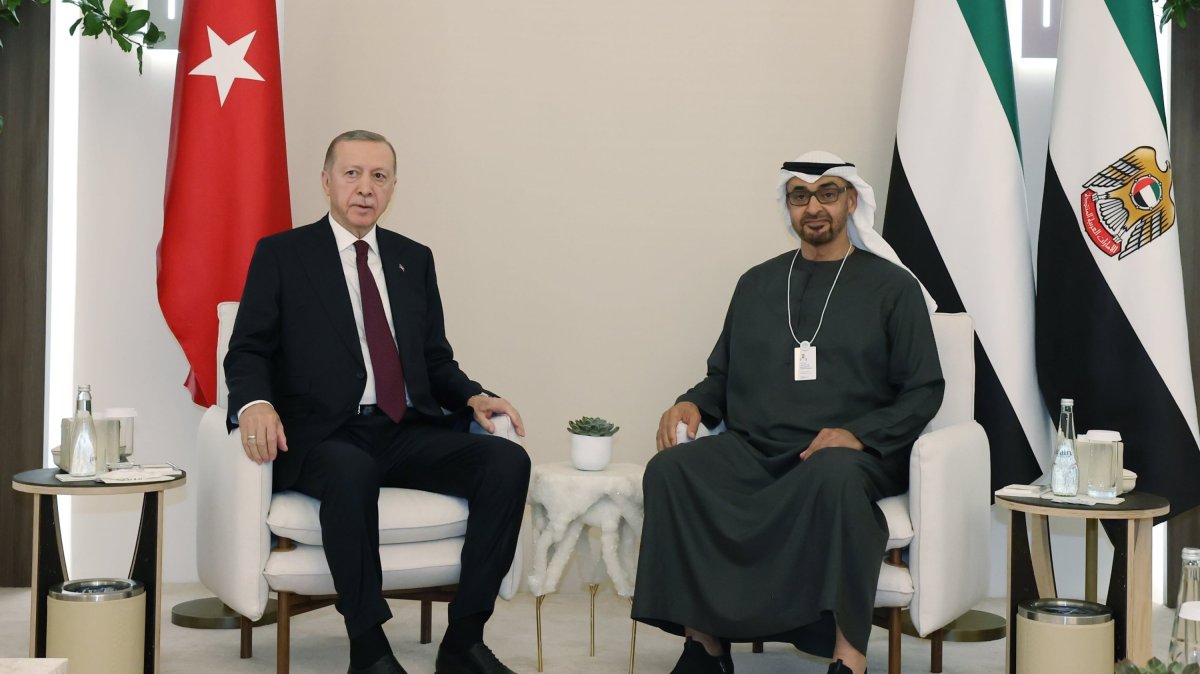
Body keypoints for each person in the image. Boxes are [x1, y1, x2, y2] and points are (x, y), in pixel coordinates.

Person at [225, 129, 531, 674]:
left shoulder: (415, 259)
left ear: (392, 188)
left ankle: (464, 639)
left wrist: (473, 395)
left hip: (404, 427)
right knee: (350, 469)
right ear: (326, 182)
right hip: (323, 435)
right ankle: (369, 647)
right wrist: (254, 405)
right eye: (352, 174)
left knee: (507, 461)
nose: (365, 188)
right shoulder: (283, 255)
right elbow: (247, 350)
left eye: (379, 176)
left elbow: (434, 359)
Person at [631, 151, 944, 674]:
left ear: (851, 200)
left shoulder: (893, 287)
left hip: (850, 454)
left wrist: (859, 435)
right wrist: (691, 402)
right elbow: (722, 377)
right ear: (788, 206)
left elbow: (923, 390)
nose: (813, 207)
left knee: (834, 476)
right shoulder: (756, 284)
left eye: (826, 194)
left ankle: (849, 659)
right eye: (800, 196)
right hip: (756, 448)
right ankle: (704, 648)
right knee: (672, 469)